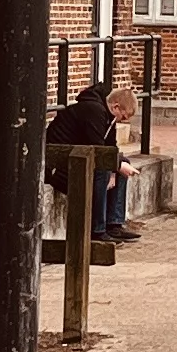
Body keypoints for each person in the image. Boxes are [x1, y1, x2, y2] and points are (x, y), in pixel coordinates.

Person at [45, 79, 131, 238]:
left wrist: (115, 169)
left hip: (77, 159)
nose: (122, 121)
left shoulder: (106, 115)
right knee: (103, 170)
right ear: (116, 106)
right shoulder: (93, 111)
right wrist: (115, 166)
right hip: (60, 167)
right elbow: (96, 147)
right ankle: (96, 229)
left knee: (122, 164)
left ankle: (114, 222)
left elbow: (110, 147)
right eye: (123, 117)